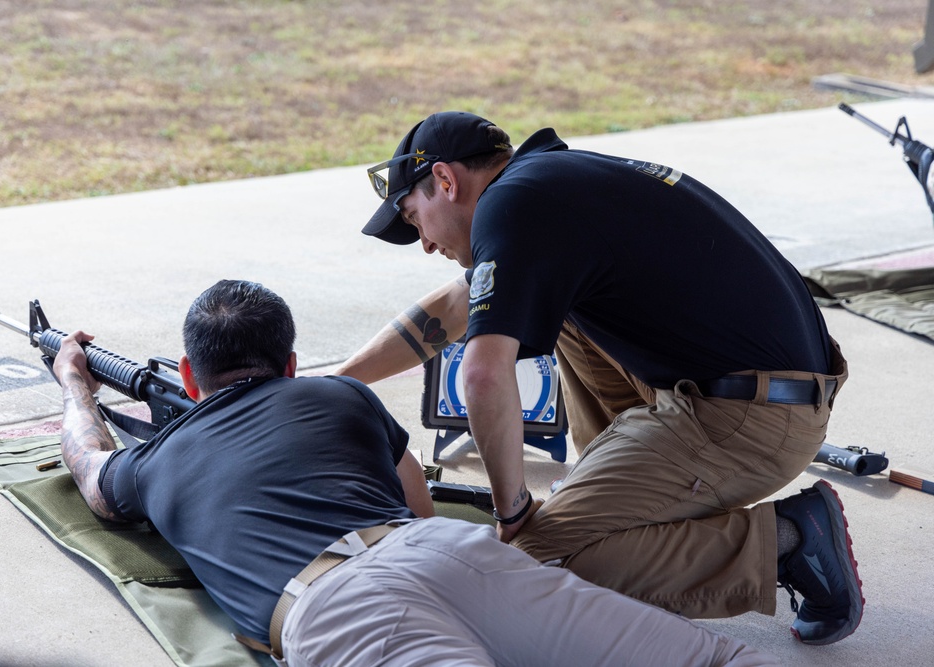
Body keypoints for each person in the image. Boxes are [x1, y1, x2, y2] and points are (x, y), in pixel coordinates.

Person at [336, 111, 864, 645]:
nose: (424, 242)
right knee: (547, 308)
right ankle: (620, 500)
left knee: (540, 562)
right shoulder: (547, 184)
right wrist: (338, 382)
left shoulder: (514, 204)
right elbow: (456, 306)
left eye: (413, 215)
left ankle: (791, 540)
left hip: (749, 418)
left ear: (446, 181)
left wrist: (513, 509)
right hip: (761, 390)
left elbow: (482, 374)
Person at [53, 279, 778, 666]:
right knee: (710, 659)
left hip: (332, 604)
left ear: (188, 373)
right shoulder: (339, 392)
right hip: (440, 552)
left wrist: (74, 380)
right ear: (292, 364)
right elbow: (415, 500)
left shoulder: (158, 457)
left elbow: (90, 466)